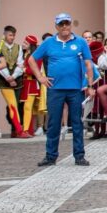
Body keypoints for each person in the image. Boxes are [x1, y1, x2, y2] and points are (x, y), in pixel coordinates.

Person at [27, 13, 94, 166]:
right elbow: (31, 59)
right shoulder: (49, 42)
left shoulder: (81, 42)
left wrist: (90, 86)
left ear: (71, 25)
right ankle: (50, 156)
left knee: (77, 122)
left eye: (67, 23)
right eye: (61, 24)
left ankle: (79, 156)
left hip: (75, 89)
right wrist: (40, 77)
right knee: (53, 123)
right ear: (56, 26)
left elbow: (89, 64)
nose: (65, 27)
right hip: (55, 89)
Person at [0, 25, 29, 138]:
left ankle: (15, 130)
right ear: (5, 35)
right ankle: (19, 130)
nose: (12, 37)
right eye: (10, 35)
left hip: (17, 80)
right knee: (12, 105)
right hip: (4, 81)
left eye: (14, 35)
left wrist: (14, 76)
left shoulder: (18, 47)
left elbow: (21, 64)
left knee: (17, 105)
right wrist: (8, 78)